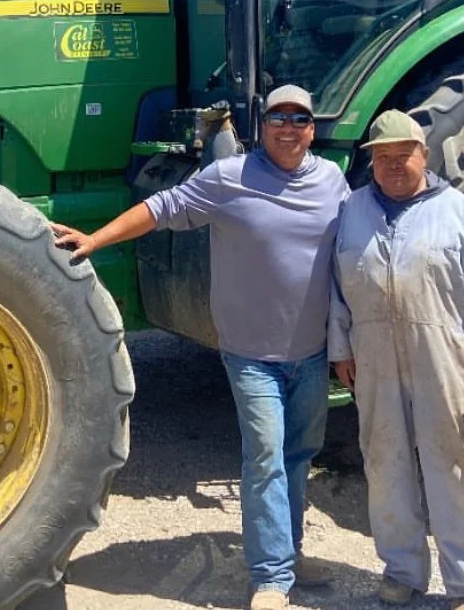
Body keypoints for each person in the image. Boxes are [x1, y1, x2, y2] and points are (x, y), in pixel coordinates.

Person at [52, 85, 350, 610]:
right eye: (278, 117)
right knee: (265, 459)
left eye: (299, 119)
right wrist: (97, 239)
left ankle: (291, 551)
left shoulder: (332, 181)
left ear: (311, 129)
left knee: (299, 456)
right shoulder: (229, 177)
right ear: (262, 126)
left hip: (311, 355)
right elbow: (162, 207)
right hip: (251, 355)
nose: (288, 127)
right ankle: (271, 578)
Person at [328, 110, 464, 609]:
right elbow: (336, 290)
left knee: (455, 467)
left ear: (425, 155)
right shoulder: (350, 211)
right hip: (373, 361)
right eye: (383, 157)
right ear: (371, 161)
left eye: (404, 155)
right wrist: (341, 349)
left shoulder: (460, 213)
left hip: (444, 359)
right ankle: (402, 572)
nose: (394, 165)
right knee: (385, 465)